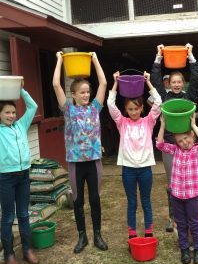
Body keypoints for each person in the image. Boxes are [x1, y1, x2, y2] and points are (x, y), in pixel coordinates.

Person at [53, 51, 108, 253]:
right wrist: (59, 60)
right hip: (76, 163)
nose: (86, 95)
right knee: (78, 201)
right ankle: (82, 237)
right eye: (82, 92)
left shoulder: (95, 108)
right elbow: (56, 85)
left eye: (87, 92)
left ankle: (98, 236)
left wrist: (95, 59)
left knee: (95, 199)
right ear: (73, 95)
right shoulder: (68, 110)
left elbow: (102, 83)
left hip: (94, 162)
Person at [150, 43, 198, 233]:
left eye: (180, 81)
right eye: (174, 82)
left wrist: (191, 56)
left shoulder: (189, 97)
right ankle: (174, 218)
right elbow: (155, 80)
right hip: (171, 147)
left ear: (183, 83)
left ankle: (191, 216)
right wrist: (158, 57)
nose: (177, 84)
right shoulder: (164, 98)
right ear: (169, 84)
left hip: (188, 147)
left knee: (189, 183)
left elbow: (197, 78)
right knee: (173, 183)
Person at [107, 71, 161, 240]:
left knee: (146, 201)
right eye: (130, 109)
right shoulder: (122, 122)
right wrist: (115, 82)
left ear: (142, 108)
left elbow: (158, 102)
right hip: (128, 170)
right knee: (132, 202)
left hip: (145, 169)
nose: (133, 112)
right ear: (126, 109)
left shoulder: (149, 122)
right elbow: (110, 103)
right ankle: (132, 233)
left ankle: (148, 231)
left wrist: (148, 83)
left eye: (136, 108)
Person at [156, 114, 198, 264]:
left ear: (192, 135)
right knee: (180, 223)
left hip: (192, 195)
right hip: (177, 195)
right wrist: (162, 126)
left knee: (194, 222)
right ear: (176, 143)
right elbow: (159, 144)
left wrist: (193, 125)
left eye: (186, 138)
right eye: (180, 141)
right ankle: (184, 249)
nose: (184, 142)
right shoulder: (175, 150)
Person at [0, 80, 39, 264]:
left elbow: (33, 106)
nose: (11, 115)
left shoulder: (21, 126)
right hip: (5, 178)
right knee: (8, 217)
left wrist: (21, 89)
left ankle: (27, 249)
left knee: (24, 214)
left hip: (24, 174)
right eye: (7, 112)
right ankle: (8, 254)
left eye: (13, 112)